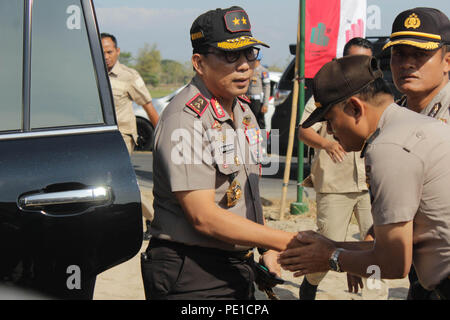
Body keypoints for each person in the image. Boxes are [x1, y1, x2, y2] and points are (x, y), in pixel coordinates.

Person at [141, 6, 300, 300]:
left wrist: (266, 248)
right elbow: (203, 216)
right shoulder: (186, 120)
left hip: (235, 264)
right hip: (191, 271)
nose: (244, 66)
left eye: (249, 53)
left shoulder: (242, 112)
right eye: (230, 55)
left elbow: (245, 191)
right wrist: (287, 240)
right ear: (199, 63)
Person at [279, 54, 450, 300]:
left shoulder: (388, 147)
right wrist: (331, 246)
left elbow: (394, 264)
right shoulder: (416, 125)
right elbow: (391, 246)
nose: (330, 132)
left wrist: (331, 258)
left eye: (330, 121)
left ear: (355, 108)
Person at [296, 37, 376, 300]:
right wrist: (326, 143)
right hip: (334, 182)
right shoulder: (327, 92)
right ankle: (311, 283)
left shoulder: (380, 98)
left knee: (376, 245)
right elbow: (303, 129)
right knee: (328, 239)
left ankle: (376, 294)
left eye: (366, 62)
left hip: (370, 184)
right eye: (355, 61)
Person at [382, 7, 450, 299]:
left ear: (448, 61)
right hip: (419, 265)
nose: (407, 63)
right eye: (399, 53)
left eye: (419, 54)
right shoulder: (397, 112)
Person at [101, 33, 158, 235]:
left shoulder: (129, 76)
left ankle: (154, 218)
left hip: (122, 137)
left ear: (117, 51)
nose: (106, 56)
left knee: (120, 179)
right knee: (105, 182)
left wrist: (161, 137)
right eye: (102, 51)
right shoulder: (92, 74)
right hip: (99, 139)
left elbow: (148, 106)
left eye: (109, 51)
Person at [247, 52, 270, 129]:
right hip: (247, 100)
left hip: (257, 101)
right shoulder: (248, 70)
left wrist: (265, 104)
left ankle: (263, 141)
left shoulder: (263, 71)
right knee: (247, 122)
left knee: (260, 123)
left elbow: (267, 87)